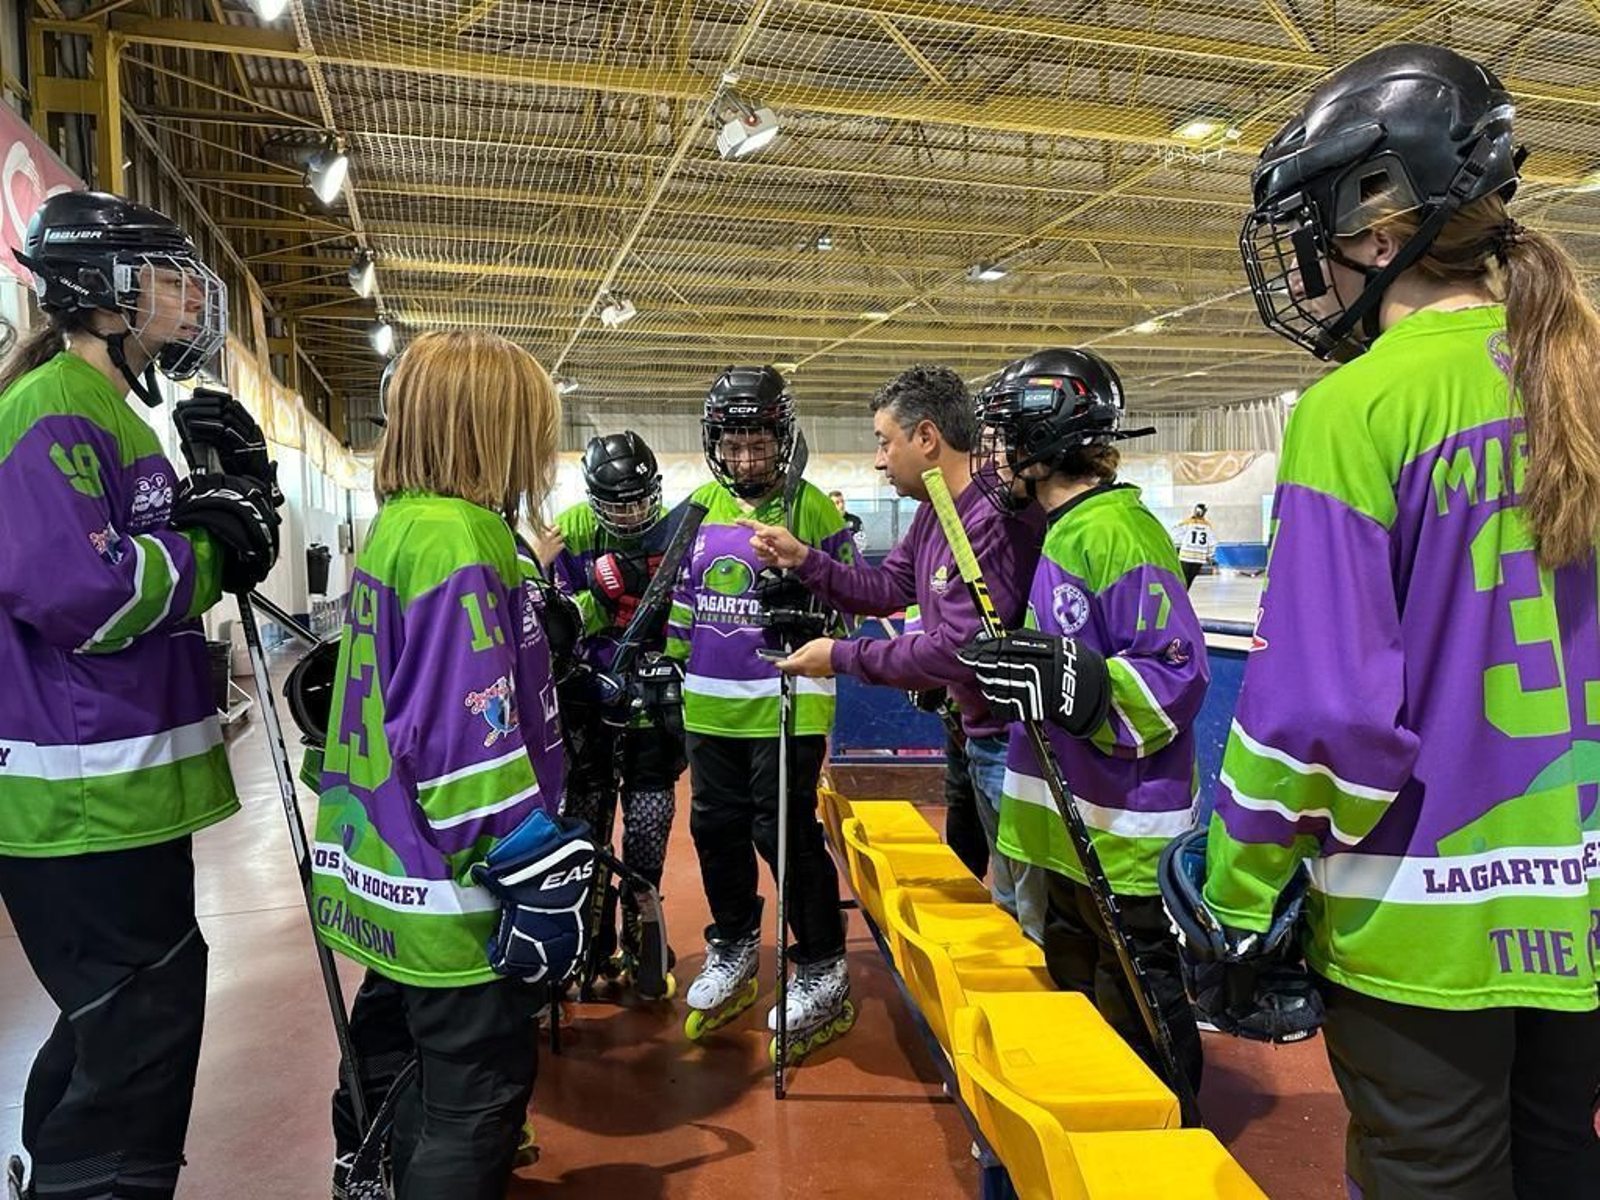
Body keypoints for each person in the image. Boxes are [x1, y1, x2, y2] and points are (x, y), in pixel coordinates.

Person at [1208, 43, 1600, 1198]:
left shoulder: (1358, 407)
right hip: (1581, 904)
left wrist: (1233, 891)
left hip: (1423, 924)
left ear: (1379, 227)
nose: (1310, 276)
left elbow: (1322, 712)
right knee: (1562, 1168)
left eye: (1312, 240)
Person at [0, 191, 279, 1200]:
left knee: (116, 1029)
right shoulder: (51, 411)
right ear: (105, 291)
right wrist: (210, 552)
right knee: (137, 1047)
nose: (183, 299)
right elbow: (86, 591)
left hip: (117, 793)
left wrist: (217, 504)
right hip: (79, 800)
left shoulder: (114, 409)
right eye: (165, 277)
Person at [314, 330, 566, 1200]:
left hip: (386, 866)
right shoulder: (461, 540)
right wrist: (528, 861)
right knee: (477, 1097)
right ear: (489, 427)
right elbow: (466, 738)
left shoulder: (403, 524)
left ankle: (368, 1166)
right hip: (452, 889)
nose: (542, 446)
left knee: (405, 1058)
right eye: (531, 424)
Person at [956, 348, 1208, 1093]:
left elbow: (1177, 671)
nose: (997, 455)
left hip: (1121, 836)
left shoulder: (1116, 531)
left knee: (1138, 1013)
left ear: (1049, 437)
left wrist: (1083, 687)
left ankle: (1167, 1148)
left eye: (1008, 434)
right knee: (1084, 1011)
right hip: (1068, 835)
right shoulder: (1064, 530)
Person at [745, 363, 1045, 940]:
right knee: (1005, 900)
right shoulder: (938, 506)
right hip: (973, 730)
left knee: (1028, 912)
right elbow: (886, 588)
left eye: (885, 443)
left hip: (1013, 744)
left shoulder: (993, 520)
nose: (880, 460)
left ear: (926, 438)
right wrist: (804, 559)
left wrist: (840, 656)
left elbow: (958, 650)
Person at [669, 365, 856, 1055]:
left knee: (783, 831)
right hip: (709, 706)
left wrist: (812, 603)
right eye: (735, 444)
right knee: (714, 827)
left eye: (759, 444)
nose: (747, 459)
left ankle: (821, 963)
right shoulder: (698, 510)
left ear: (782, 439)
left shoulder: (813, 508)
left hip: (788, 700)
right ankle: (736, 943)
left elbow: (851, 601)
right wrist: (669, 661)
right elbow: (685, 601)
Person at [549, 430, 685, 995]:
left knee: (650, 829)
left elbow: (693, 612)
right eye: (617, 504)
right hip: (588, 705)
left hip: (655, 708)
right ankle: (589, 941)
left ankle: (640, 934)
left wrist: (675, 660)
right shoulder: (572, 529)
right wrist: (597, 601)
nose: (630, 514)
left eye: (639, 500)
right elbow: (550, 621)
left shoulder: (681, 528)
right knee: (586, 830)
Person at [1172, 502, 1216, 588]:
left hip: (1186, 557)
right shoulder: (1207, 526)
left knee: (1182, 579)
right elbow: (1211, 543)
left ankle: (1179, 598)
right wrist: (1210, 557)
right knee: (1190, 580)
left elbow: (1174, 532)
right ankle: (1184, 598)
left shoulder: (1188, 523)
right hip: (1199, 559)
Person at [829, 489, 866, 554]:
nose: (841, 505)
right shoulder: (824, 522)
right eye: (837, 503)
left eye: (842, 502)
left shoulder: (855, 520)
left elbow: (861, 544)